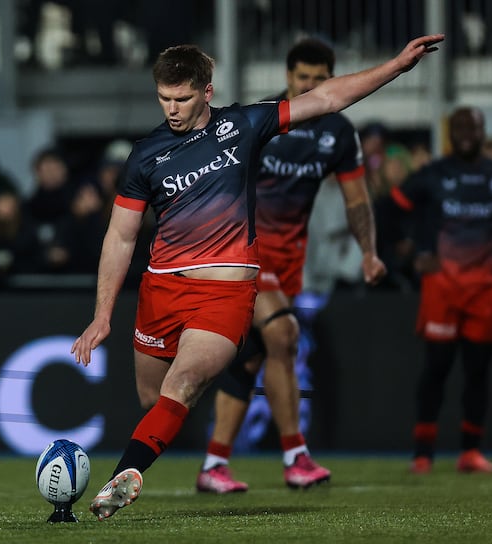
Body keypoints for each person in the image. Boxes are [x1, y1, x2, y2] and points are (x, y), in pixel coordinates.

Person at [70, 34, 444, 520]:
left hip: (225, 292)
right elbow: (120, 237)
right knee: (154, 398)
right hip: (161, 290)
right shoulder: (145, 155)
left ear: (207, 91)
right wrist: (102, 316)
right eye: (164, 98)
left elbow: (329, 98)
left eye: (182, 98)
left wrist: (395, 65)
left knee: (183, 384)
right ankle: (237, 384)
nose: (173, 108)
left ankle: (123, 478)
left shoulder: (244, 124)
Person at [194, 39, 386, 494]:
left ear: (332, 79)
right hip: (242, 252)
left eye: (320, 79)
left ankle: (213, 464)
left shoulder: (338, 134)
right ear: (288, 76)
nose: (310, 86)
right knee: (284, 335)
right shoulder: (262, 120)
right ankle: (295, 455)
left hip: (288, 262)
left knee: (251, 359)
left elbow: (357, 200)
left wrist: (369, 252)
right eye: (302, 77)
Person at [389, 107, 492, 474]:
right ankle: (422, 453)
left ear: (483, 131)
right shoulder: (432, 175)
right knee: (436, 368)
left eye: (473, 127)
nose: (467, 133)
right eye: (460, 127)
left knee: (478, 371)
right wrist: (410, 253)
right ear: (450, 133)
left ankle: (470, 452)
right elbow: (389, 210)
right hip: (442, 288)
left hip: (485, 288)